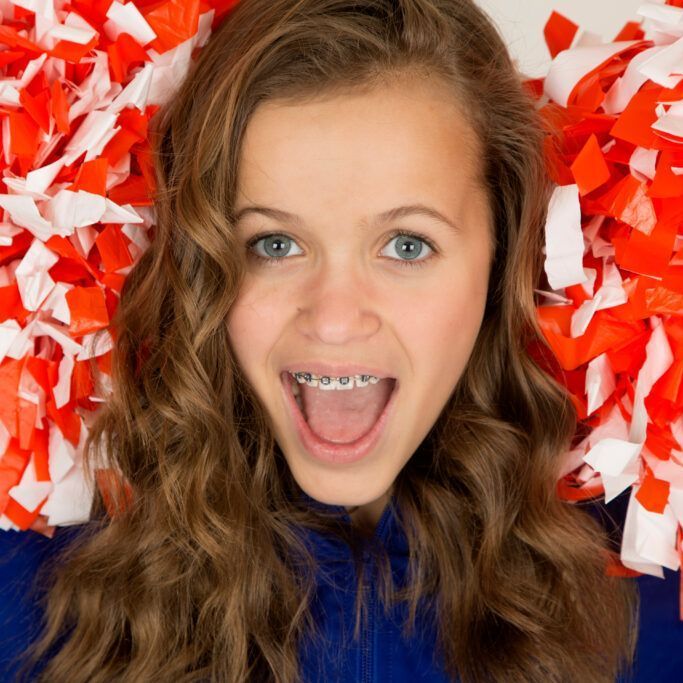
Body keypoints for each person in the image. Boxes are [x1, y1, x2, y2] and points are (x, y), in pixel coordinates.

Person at [4, 0, 679, 680]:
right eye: (274, 243)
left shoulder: (645, 596)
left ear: (503, 258)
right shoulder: (30, 588)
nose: (332, 318)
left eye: (406, 244)